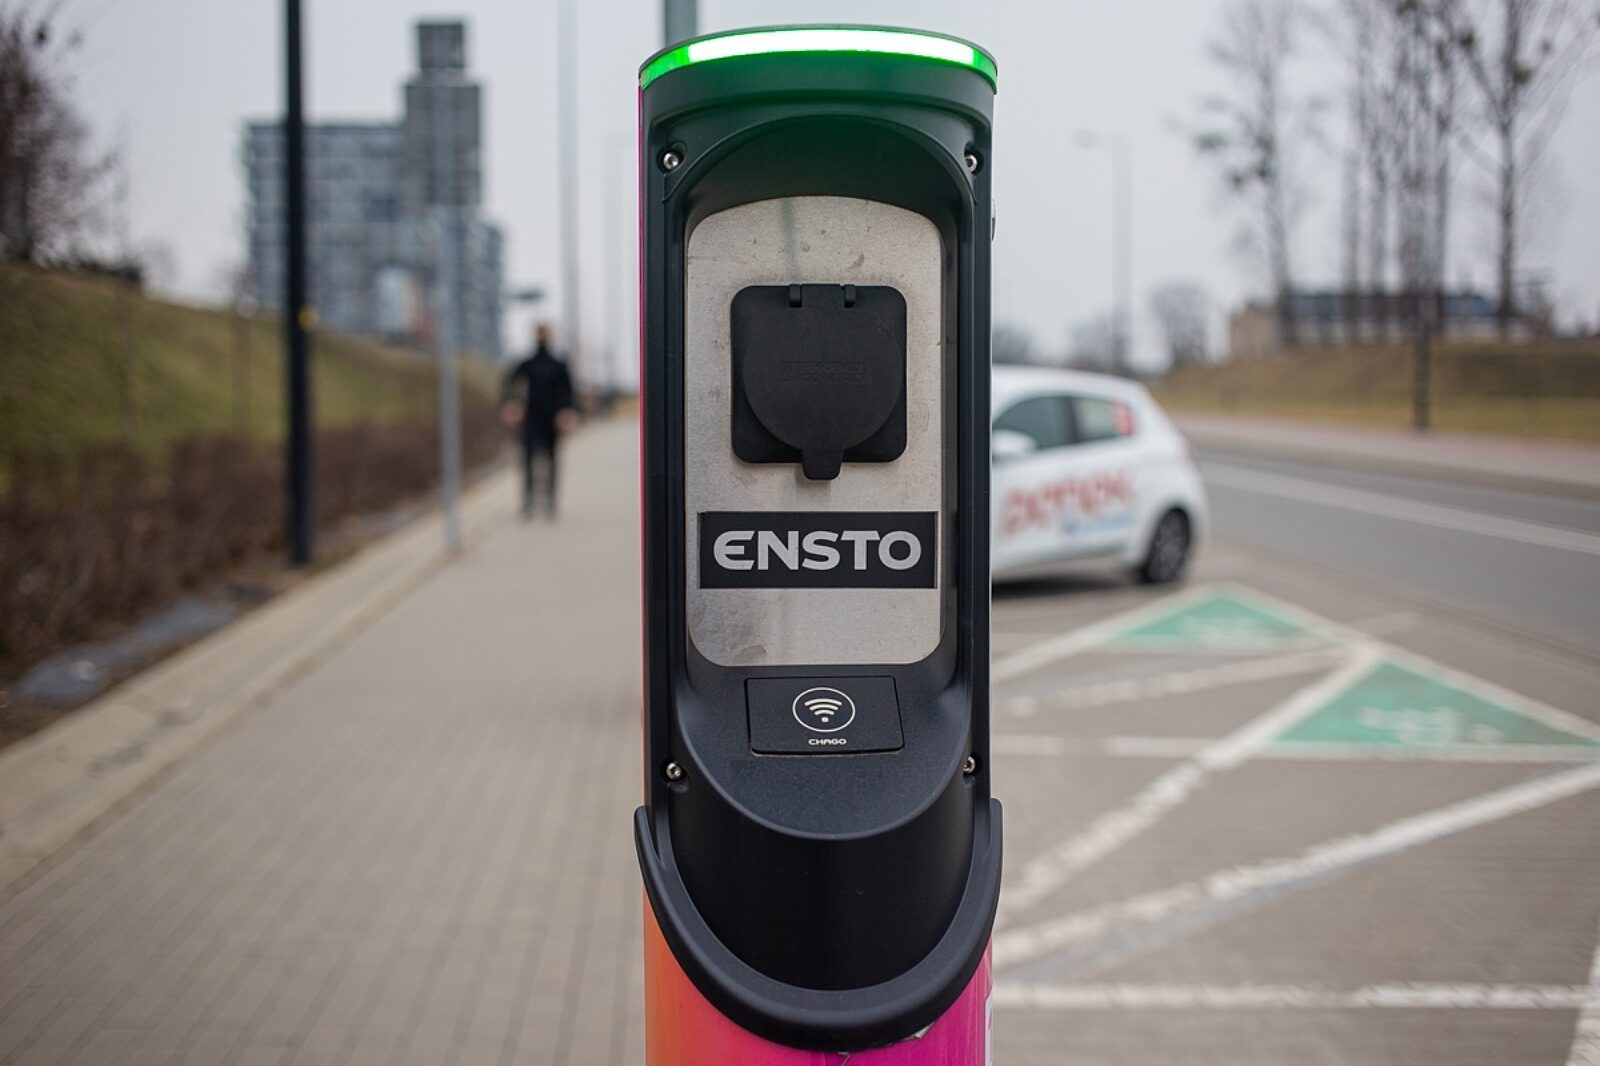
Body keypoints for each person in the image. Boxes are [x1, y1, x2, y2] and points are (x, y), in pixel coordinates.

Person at [501, 323, 577, 518]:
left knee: (548, 460)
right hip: (532, 418)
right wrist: (513, 404)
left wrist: (566, 411)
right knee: (532, 460)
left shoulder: (555, 364)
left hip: (549, 420)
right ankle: (530, 501)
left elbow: (567, 392)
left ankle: (547, 502)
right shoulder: (532, 363)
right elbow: (509, 384)